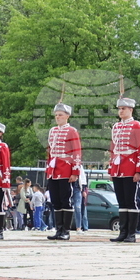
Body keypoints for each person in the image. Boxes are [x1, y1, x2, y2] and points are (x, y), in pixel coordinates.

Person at [108, 83, 140, 243]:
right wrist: (111, 169)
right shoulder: (116, 127)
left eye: (123, 108)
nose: (121, 111)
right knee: (122, 202)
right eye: (119, 109)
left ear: (131, 109)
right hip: (118, 168)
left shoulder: (137, 125)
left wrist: (139, 170)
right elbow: (113, 149)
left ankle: (131, 233)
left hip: (130, 167)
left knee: (131, 201)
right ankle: (123, 232)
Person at [46, 96, 82, 241]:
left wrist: (75, 171)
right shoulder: (52, 131)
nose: (58, 117)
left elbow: (76, 152)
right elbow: (50, 152)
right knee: (56, 201)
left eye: (60, 115)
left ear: (67, 116)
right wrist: (48, 169)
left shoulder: (72, 131)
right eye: (56, 115)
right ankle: (58, 229)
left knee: (65, 200)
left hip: (66, 169)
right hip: (53, 169)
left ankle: (65, 231)